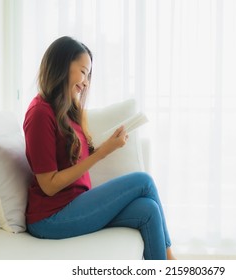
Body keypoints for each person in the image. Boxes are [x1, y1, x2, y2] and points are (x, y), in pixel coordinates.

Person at [23, 36, 176, 260]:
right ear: (62, 65)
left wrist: (107, 147)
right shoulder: (40, 113)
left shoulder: (65, 109)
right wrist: (103, 154)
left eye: (88, 75)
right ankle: (173, 262)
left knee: (148, 210)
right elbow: (49, 185)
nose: (86, 82)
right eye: (83, 71)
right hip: (49, 218)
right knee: (144, 181)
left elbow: (73, 159)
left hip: (75, 203)